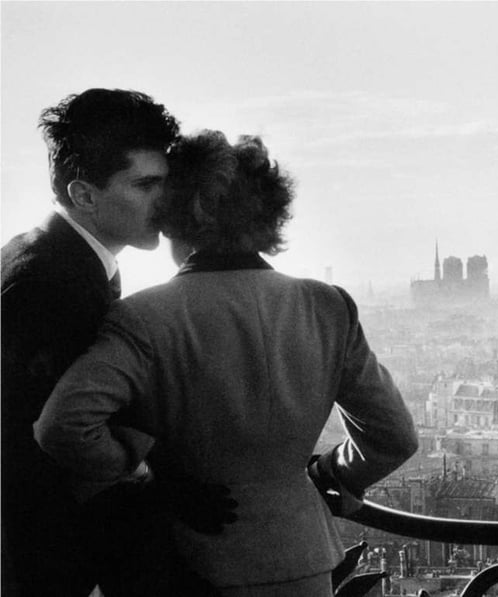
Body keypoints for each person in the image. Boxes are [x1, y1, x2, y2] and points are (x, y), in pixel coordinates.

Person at [35, 130, 419, 596]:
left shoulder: (145, 317)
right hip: (302, 556)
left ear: (178, 214)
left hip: (188, 560)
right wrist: (331, 474)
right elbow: (393, 435)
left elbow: (63, 425)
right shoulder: (327, 306)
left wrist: (138, 470)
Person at [1, 88, 182, 596]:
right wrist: (144, 472)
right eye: (145, 185)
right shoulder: (52, 283)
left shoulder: (42, 257)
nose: (163, 201)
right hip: (45, 560)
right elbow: (45, 446)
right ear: (84, 195)